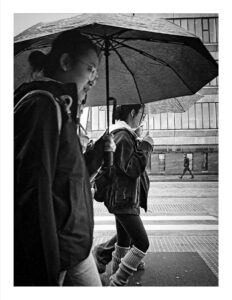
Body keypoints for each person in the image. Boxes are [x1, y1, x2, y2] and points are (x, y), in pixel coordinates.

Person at [14, 30, 114, 286]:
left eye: (96, 72)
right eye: (90, 68)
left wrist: (99, 153)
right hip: (55, 253)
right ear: (66, 62)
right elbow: (33, 194)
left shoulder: (61, 108)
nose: (94, 79)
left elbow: (70, 178)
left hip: (74, 246)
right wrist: (43, 272)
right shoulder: (42, 106)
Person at [94, 104, 153, 286]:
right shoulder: (122, 135)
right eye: (141, 114)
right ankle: (118, 281)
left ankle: (115, 274)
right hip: (124, 199)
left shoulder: (122, 134)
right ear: (133, 112)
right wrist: (145, 146)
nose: (142, 118)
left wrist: (138, 139)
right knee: (142, 243)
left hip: (123, 199)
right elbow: (132, 168)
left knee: (123, 241)